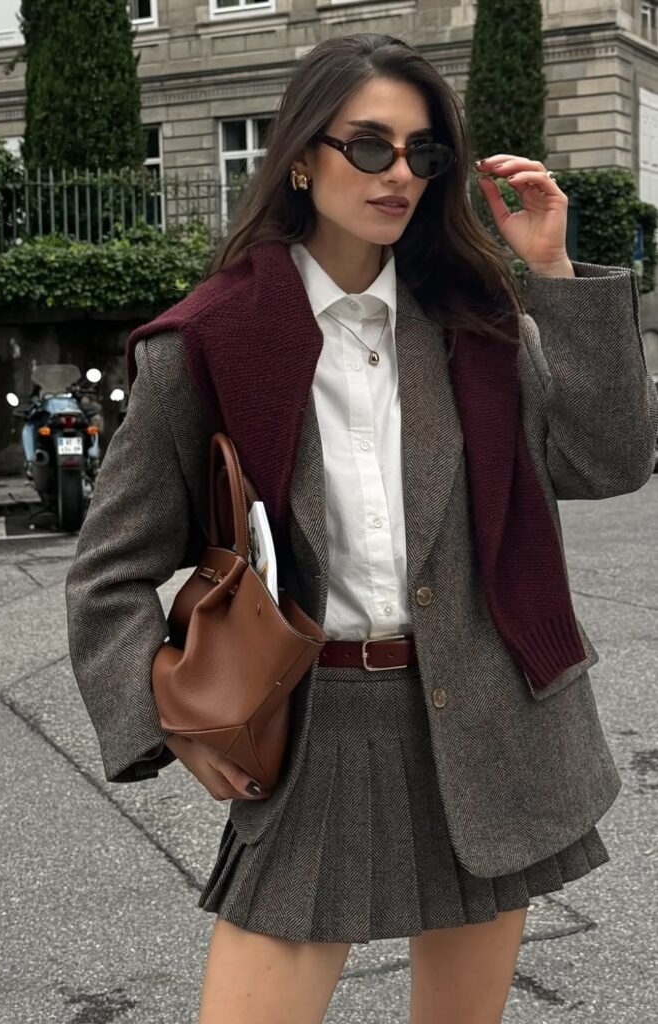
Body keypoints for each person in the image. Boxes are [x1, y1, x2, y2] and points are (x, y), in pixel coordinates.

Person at [65, 32, 658, 1024]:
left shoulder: (475, 327)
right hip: (315, 729)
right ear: (299, 155)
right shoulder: (206, 342)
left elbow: (607, 460)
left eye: (423, 154)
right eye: (369, 146)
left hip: (486, 714)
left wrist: (551, 270)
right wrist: (167, 714)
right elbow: (109, 570)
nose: (398, 175)